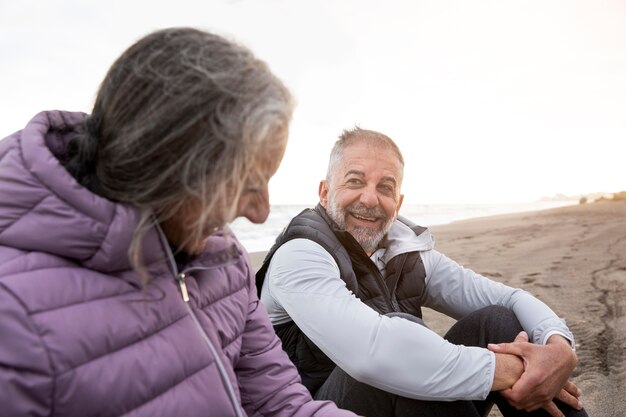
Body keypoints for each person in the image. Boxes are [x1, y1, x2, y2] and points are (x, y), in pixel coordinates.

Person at [0, 28, 360, 417]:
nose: (260, 212)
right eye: (244, 184)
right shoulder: (15, 319)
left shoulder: (222, 258)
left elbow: (279, 404)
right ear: (162, 168)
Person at [257, 127, 588, 417]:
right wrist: (518, 369)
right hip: (312, 408)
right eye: (355, 181)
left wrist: (557, 350)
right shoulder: (300, 254)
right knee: (400, 347)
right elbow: (373, 356)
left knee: (497, 321)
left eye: (385, 188)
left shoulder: (407, 254)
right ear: (325, 192)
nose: (370, 198)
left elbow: (511, 298)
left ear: (398, 204)